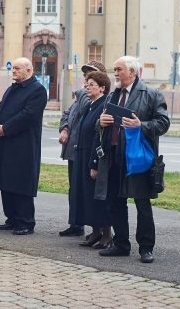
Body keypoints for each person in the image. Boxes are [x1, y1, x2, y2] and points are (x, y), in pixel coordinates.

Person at [97, 55, 170, 264]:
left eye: (119, 69)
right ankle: (121, 244)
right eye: (115, 69)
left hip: (137, 159)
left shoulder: (151, 94)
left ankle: (146, 247)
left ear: (132, 72)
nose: (116, 74)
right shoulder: (113, 96)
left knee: (142, 204)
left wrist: (142, 125)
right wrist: (101, 122)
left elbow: (163, 123)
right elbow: (100, 125)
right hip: (113, 157)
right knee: (114, 203)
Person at [0, 58, 47, 235]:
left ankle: (26, 222)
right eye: (13, 68)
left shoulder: (37, 90)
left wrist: (6, 128)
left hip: (24, 144)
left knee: (21, 182)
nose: (13, 71)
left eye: (17, 68)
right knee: (6, 181)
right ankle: (12, 218)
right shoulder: (12, 88)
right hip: (6, 142)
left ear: (29, 71)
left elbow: (28, 115)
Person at [59, 60, 106, 237]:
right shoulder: (83, 95)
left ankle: (96, 228)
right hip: (74, 148)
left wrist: (81, 92)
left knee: (88, 189)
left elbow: (84, 107)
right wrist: (64, 128)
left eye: (91, 74)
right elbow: (67, 113)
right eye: (85, 74)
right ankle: (75, 222)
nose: (86, 78)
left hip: (87, 149)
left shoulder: (87, 96)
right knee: (74, 187)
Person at [76, 72, 112, 249]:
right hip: (83, 154)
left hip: (94, 156)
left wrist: (94, 163)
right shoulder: (91, 105)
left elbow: (99, 137)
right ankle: (95, 230)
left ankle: (106, 233)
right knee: (87, 196)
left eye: (91, 84)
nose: (87, 87)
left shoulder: (104, 106)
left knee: (98, 197)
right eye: (86, 84)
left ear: (102, 88)